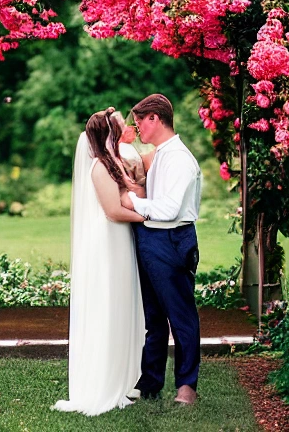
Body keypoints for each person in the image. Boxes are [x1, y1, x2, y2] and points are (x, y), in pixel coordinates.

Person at [52, 107, 146, 416]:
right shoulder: (100, 168)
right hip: (109, 242)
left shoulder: (114, 163)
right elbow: (113, 211)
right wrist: (149, 216)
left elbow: (129, 195)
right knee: (108, 306)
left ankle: (123, 378)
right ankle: (105, 384)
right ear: (108, 132)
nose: (125, 128)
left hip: (119, 240)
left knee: (121, 305)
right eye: (118, 125)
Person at [122, 93, 202, 405]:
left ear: (155, 118)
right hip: (151, 238)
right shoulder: (160, 153)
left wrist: (133, 203)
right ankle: (151, 382)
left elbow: (169, 209)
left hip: (172, 239)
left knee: (180, 316)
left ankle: (187, 387)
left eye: (140, 119)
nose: (138, 126)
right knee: (153, 318)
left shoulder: (180, 158)